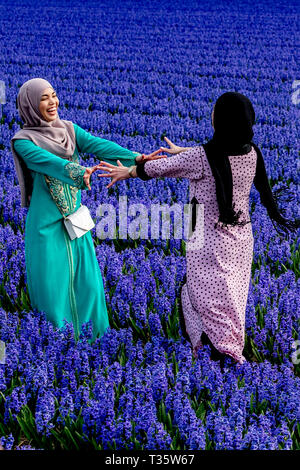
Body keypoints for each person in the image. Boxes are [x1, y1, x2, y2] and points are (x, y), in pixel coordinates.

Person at [97, 92, 299, 365]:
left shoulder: (202, 157)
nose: (212, 113)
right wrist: (186, 152)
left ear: (221, 120)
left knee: (203, 293)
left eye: (216, 110)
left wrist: (129, 171)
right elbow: (212, 157)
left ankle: (220, 350)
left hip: (204, 233)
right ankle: (221, 343)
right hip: (240, 234)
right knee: (231, 294)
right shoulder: (251, 151)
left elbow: (162, 168)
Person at [11, 77, 164, 342]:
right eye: (44, 98)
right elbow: (46, 162)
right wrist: (80, 172)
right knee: (53, 290)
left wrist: (136, 158)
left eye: (54, 95)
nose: (52, 102)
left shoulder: (69, 130)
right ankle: (56, 348)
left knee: (89, 284)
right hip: (45, 227)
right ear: (30, 105)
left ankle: (95, 343)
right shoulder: (23, 141)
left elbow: (97, 145)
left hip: (76, 220)